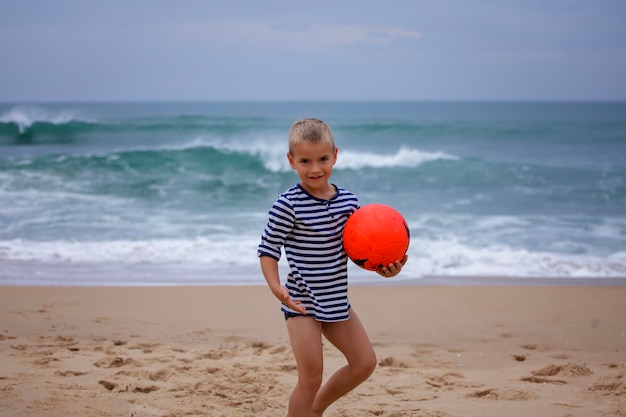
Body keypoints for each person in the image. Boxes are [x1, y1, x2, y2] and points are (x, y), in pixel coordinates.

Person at [257, 118, 408, 417]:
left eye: (323, 159)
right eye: (305, 161)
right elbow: (268, 249)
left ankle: (316, 410)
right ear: (291, 161)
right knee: (311, 377)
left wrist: (387, 269)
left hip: (337, 300)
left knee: (364, 363)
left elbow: (359, 250)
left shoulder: (349, 202)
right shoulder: (288, 204)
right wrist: (277, 288)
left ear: (335, 155)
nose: (315, 169)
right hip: (301, 304)